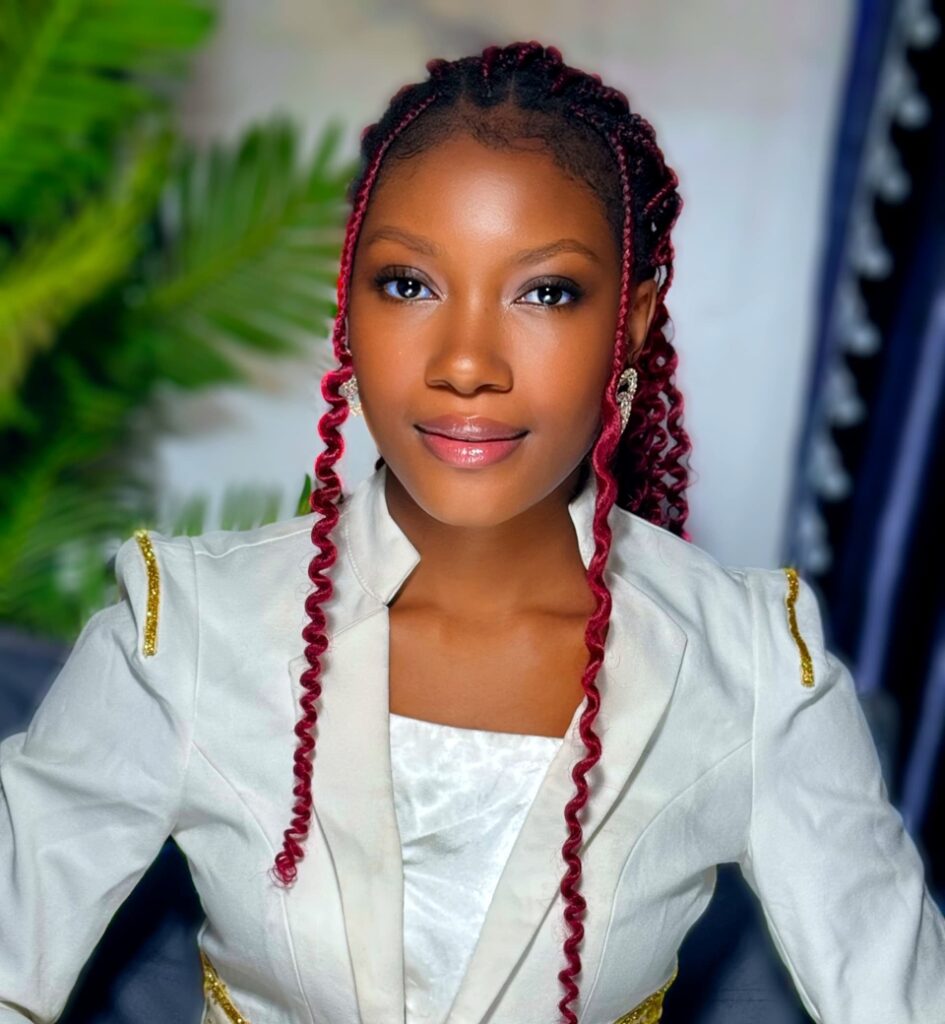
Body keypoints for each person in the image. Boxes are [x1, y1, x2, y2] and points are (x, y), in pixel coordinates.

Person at [1, 40, 943, 1024]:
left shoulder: (750, 666)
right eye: (409, 283)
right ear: (349, 300)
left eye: (545, 292)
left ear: (630, 321)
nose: (465, 363)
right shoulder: (184, 631)